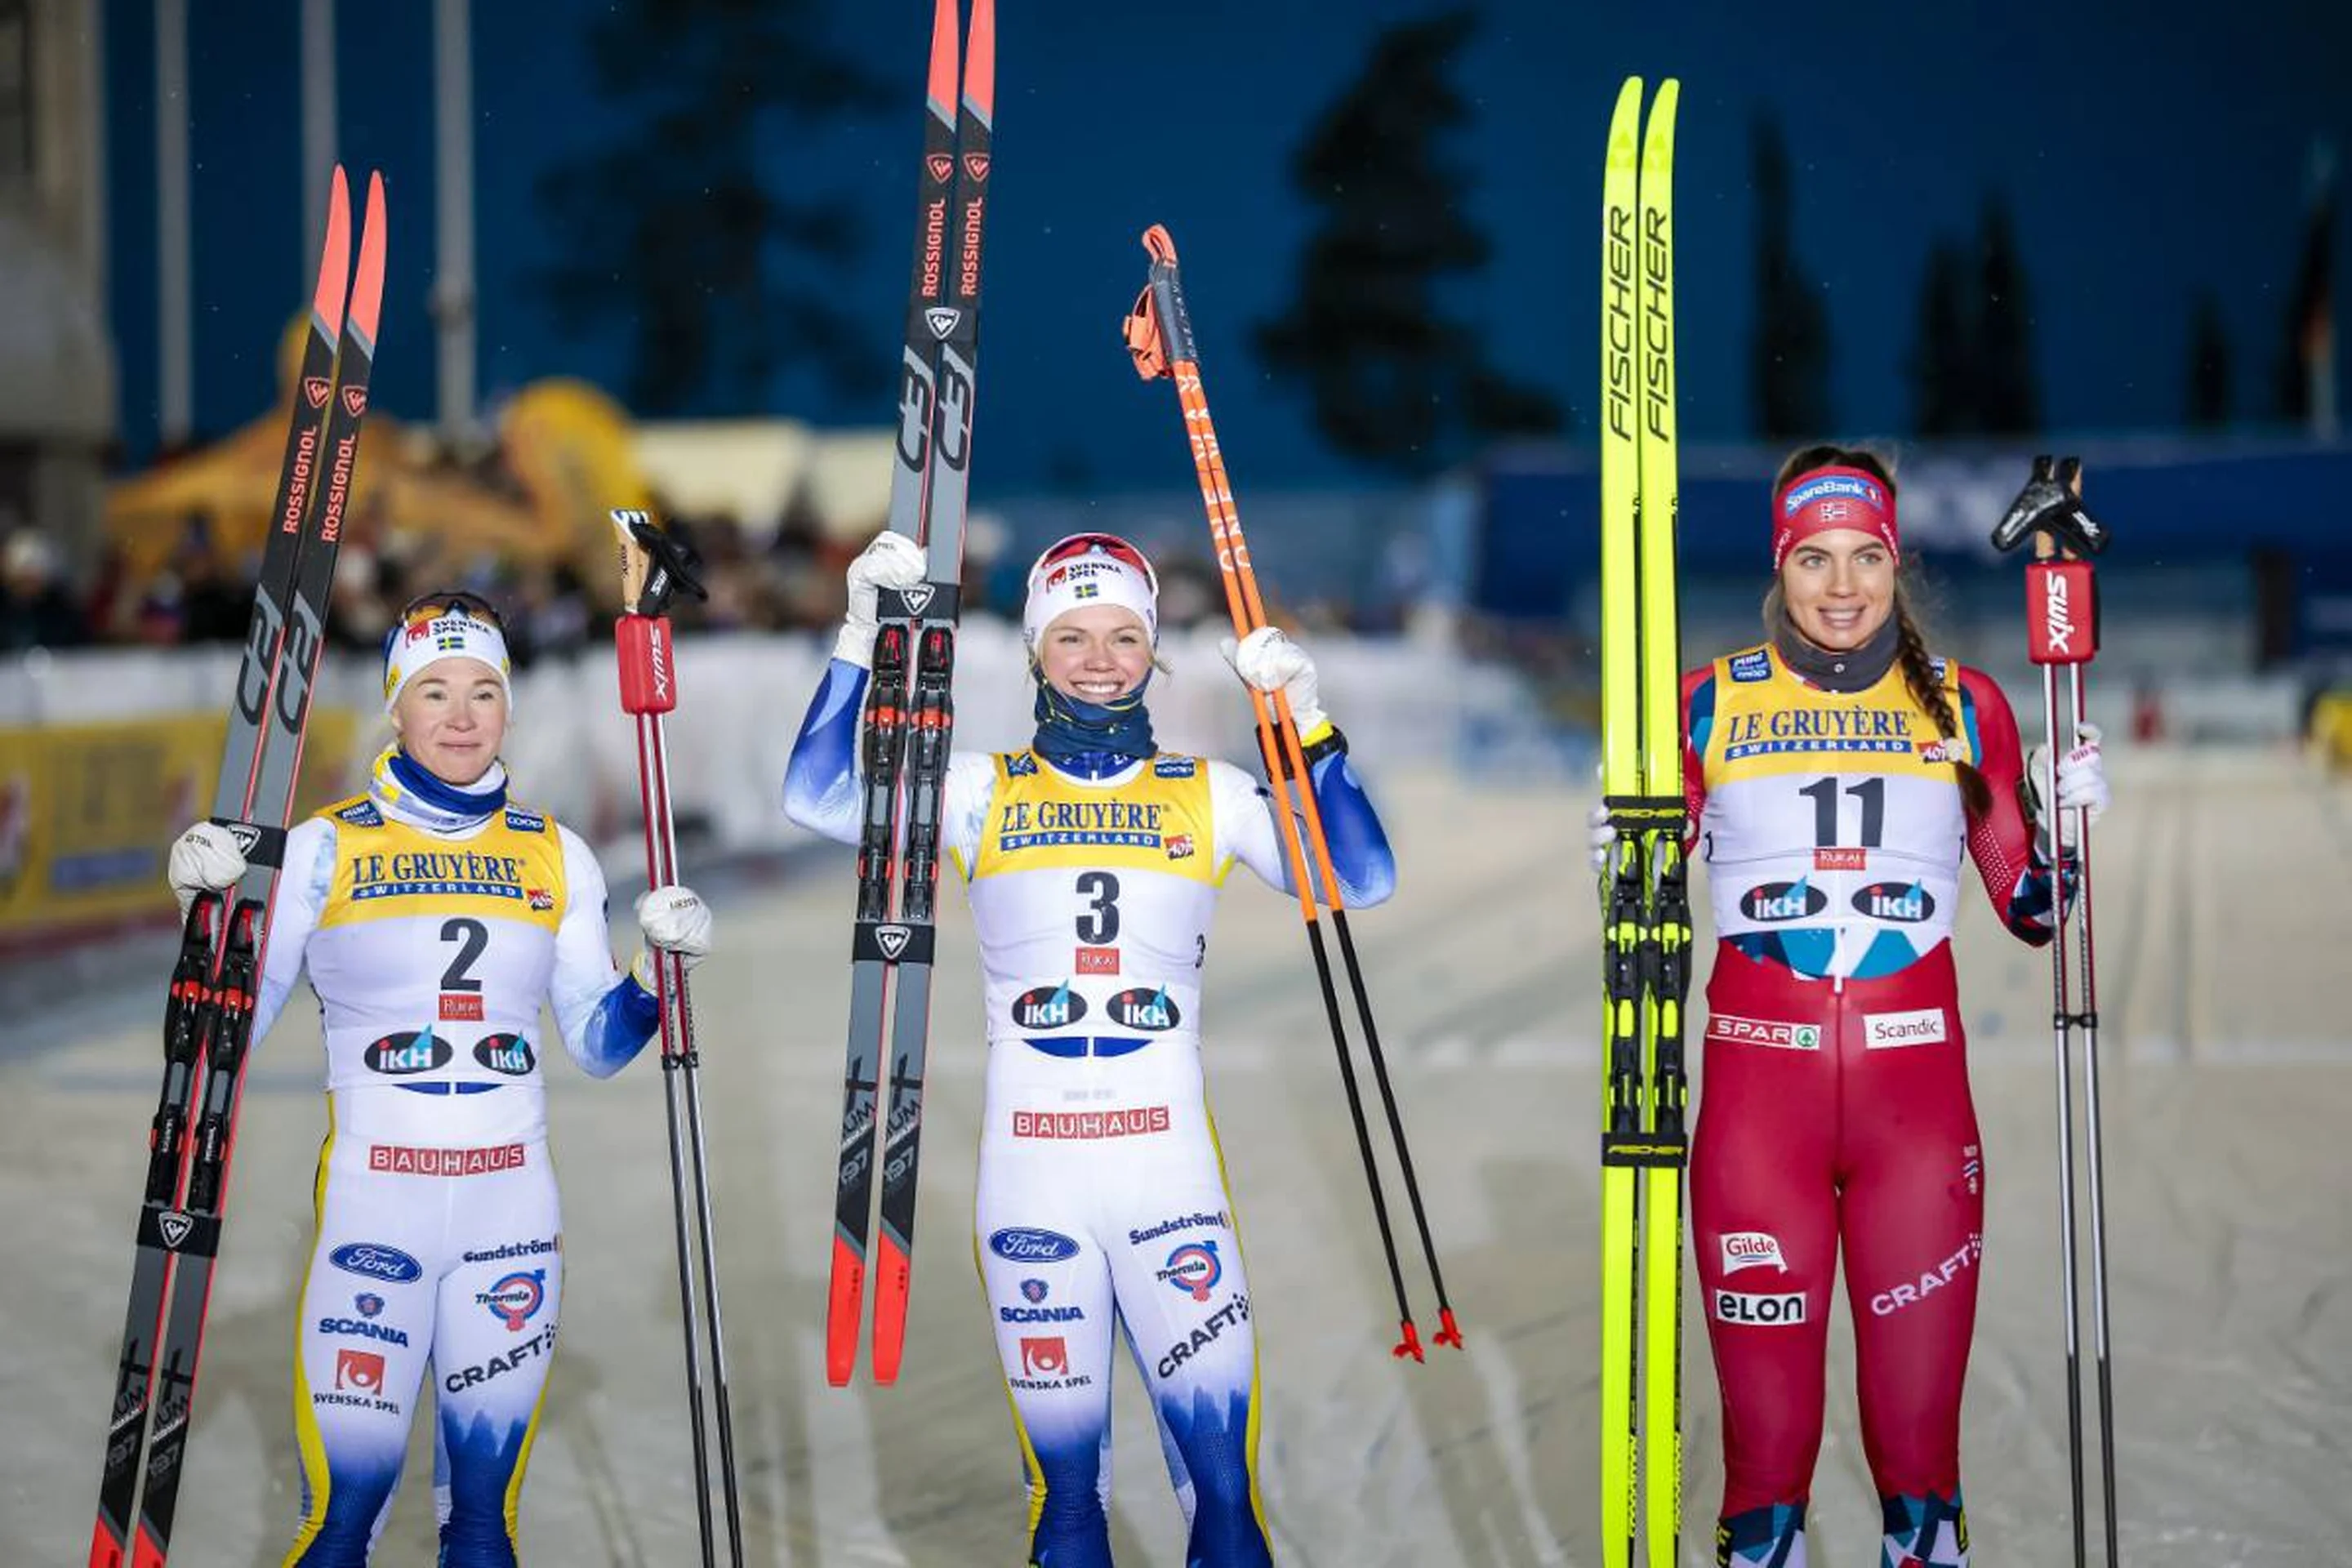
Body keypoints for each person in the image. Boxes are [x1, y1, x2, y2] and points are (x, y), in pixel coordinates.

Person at [785, 532, 1396, 1566]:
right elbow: (816, 798)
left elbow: (1360, 877)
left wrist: (1307, 720)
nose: (1100, 657)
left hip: (1168, 1179)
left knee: (1228, 1502)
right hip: (1036, 1183)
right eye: (1071, 636)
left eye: (1124, 635)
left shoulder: (1210, 793)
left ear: (1155, 651)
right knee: (1068, 1506)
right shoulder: (979, 789)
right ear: (1033, 652)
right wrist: (858, 639)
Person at [1592, 448, 2110, 1568]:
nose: (1843, 586)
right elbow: (1640, 903)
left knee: (1921, 1471)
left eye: (1868, 557)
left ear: (1895, 562)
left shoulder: (1963, 705)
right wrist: (1621, 845)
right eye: (1815, 558)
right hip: (1753, 1126)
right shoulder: (1707, 704)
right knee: (1766, 1471)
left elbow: (2029, 907)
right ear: (1781, 567)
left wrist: (2065, 830)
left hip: (1915, 1128)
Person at [166, 592, 714, 1566]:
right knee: (343, 1518)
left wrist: (654, 976)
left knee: (483, 1523)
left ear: (509, 705)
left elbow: (594, 1043)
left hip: (513, 1214)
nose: (461, 718)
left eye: (483, 692)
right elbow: (222, 1048)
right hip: (378, 1210)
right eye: (434, 692)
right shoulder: (323, 850)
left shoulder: (557, 853)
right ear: (394, 706)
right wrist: (204, 926)